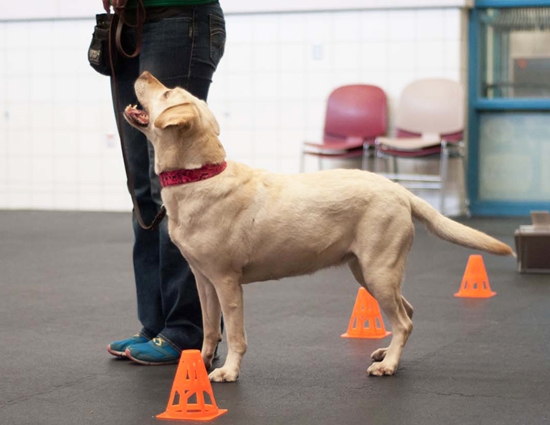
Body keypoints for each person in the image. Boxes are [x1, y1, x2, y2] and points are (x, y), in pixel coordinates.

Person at [103, 0, 226, 365]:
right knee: (143, 189)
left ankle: (186, 330)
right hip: (130, 22)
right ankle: (155, 325)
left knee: (171, 190)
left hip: (179, 16)